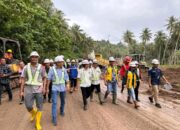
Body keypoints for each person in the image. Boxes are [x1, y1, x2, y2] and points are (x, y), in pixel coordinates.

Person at [20, 51, 47, 130]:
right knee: (28, 106)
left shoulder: (42, 67)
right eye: (33, 57)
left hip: (39, 89)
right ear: (30, 58)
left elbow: (45, 77)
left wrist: (44, 87)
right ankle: (33, 113)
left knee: (40, 106)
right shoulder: (26, 67)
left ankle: (37, 123)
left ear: (38, 58)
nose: (34, 58)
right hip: (28, 89)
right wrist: (21, 90)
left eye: (36, 57)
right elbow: (23, 79)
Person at [47, 56, 69, 126]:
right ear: (57, 62)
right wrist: (47, 88)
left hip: (62, 88)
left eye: (62, 62)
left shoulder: (64, 69)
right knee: (54, 103)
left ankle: (61, 110)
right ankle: (54, 118)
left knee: (63, 101)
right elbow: (49, 79)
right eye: (61, 62)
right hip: (54, 88)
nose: (62, 63)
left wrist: (68, 85)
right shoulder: (52, 69)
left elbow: (66, 78)